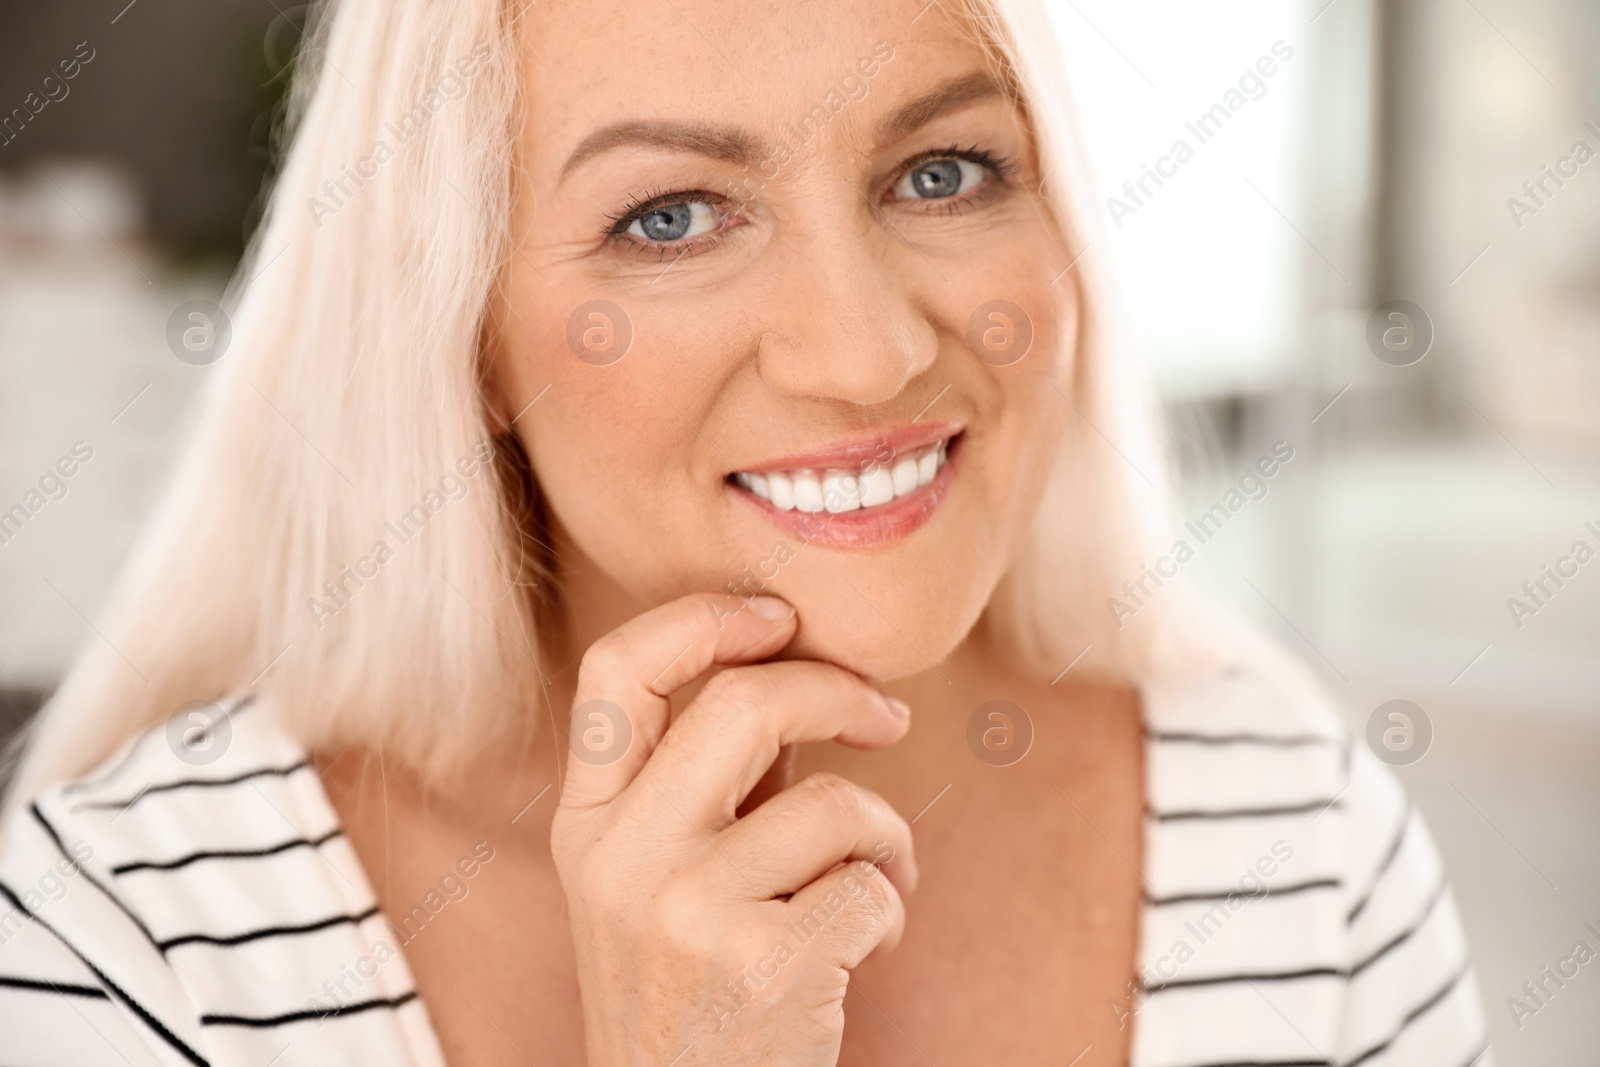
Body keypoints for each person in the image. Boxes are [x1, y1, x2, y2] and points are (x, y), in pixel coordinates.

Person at [0, 0, 1489, 1064]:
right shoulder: (129, 948)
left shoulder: (1302, 839)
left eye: (942, 171)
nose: (863, 353)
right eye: (671, 218)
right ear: (462, 341)